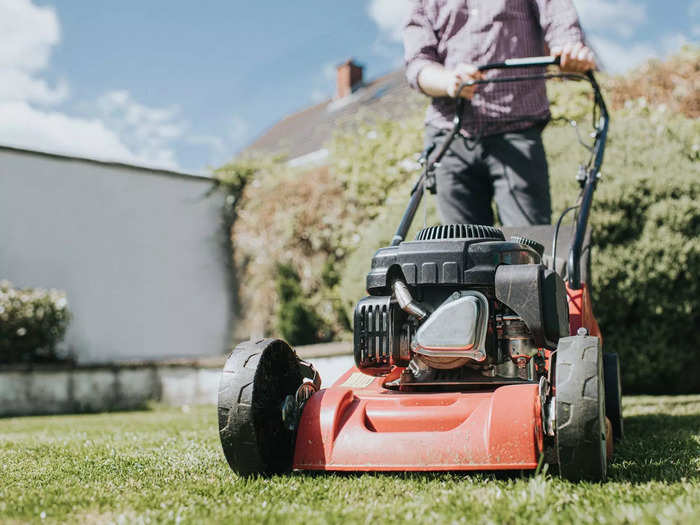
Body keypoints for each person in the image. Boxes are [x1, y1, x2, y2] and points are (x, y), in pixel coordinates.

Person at [403, 0, 596, 227]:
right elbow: (418, 63)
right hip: (448, 136)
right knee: (462, 251)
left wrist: (568, 48)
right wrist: (448, 81)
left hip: (517, 131)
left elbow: (558, 16)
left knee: (526, 246)